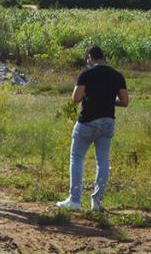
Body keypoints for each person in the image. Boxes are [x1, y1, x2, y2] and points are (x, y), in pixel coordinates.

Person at [56, 45, 129, 212]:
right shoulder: (117, 75)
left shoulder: (86, 74)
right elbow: (125, 102)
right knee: (102, 161)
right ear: (103, 57)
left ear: (90, 57)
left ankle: (74, 200)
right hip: (108, 121)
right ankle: (96, 201)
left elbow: (75, 98)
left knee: (77, 158)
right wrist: (109, 101)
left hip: (88, 121)